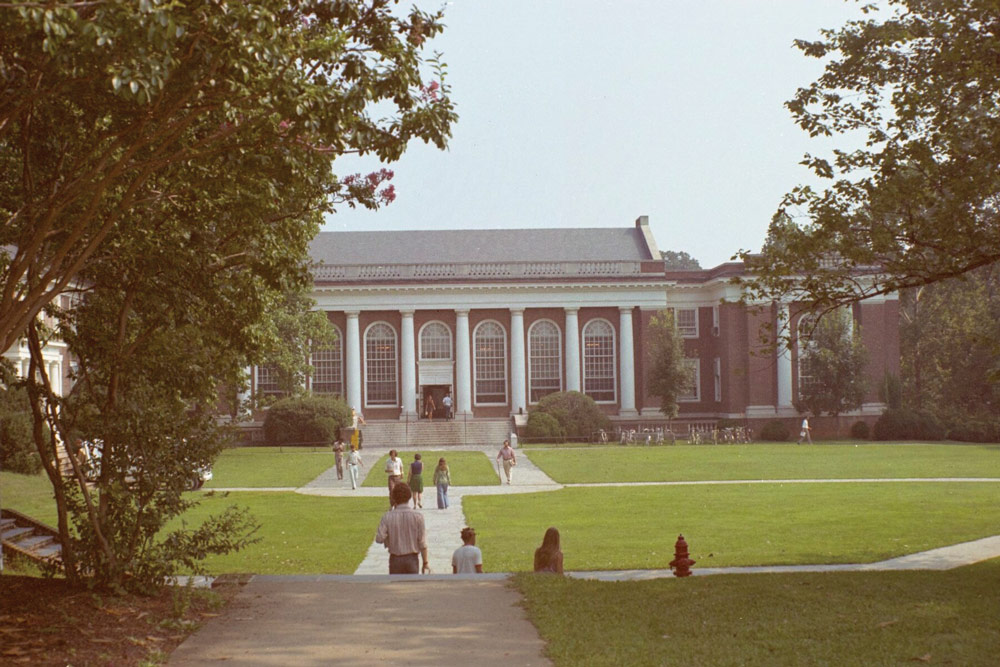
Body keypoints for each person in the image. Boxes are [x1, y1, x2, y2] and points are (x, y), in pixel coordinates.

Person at [375, 483, 430, 575]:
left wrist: (389, 537)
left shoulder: (388, 516)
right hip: (412, 559)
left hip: (395, 559)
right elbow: (422, 543)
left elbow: (379, 538)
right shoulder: (418, 517)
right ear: (409, 497)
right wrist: (425, 562)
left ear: (394, 498)